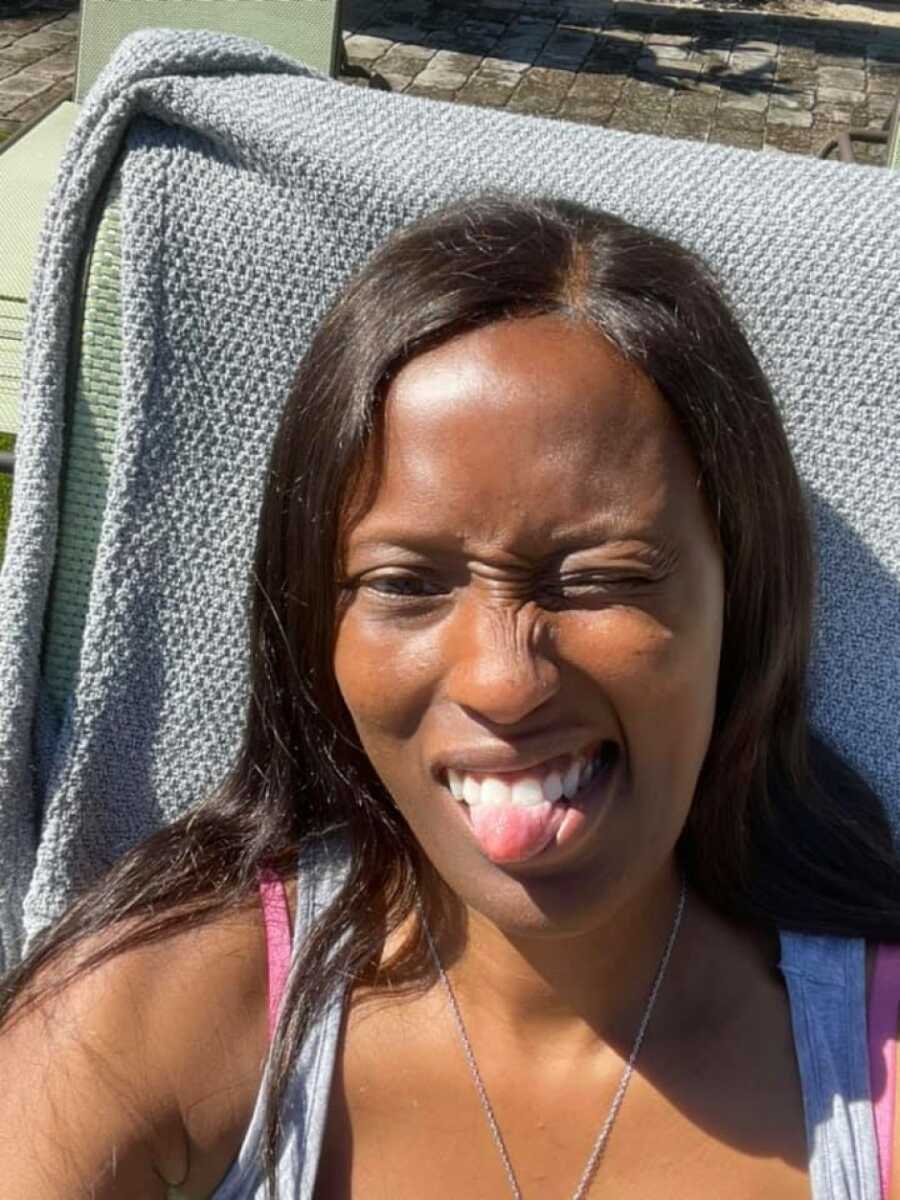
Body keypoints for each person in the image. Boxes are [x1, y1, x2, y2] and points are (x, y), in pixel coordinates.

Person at [0, 194, 897, 1200]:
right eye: (404, 584)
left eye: (598, 578)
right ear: (315, 627)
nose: (504, 682)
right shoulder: (165, 1012)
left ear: (742, 598)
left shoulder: (874, 1069)